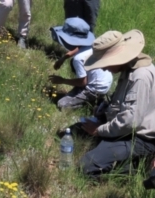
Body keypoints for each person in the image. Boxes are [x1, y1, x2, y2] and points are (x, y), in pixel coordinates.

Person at [79, 30, 155, 181]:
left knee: (86, 166)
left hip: (140, 139)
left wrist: (99, 130)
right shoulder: (128, 70)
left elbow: (130, 122)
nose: (104, 68)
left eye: (106, 63)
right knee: (78, 129)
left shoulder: (140, 77)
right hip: (127, 131)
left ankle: (130, 169)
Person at [49, 18, 112, 110]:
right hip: (106, 81)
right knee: (73, 63)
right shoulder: (93, 43)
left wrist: (62, 80)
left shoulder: (78, 59)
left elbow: (83, 82)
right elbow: (79, 46)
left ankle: (92, 103)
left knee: (61, 104)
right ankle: (92, 96)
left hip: (94, 89)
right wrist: (64, 57)